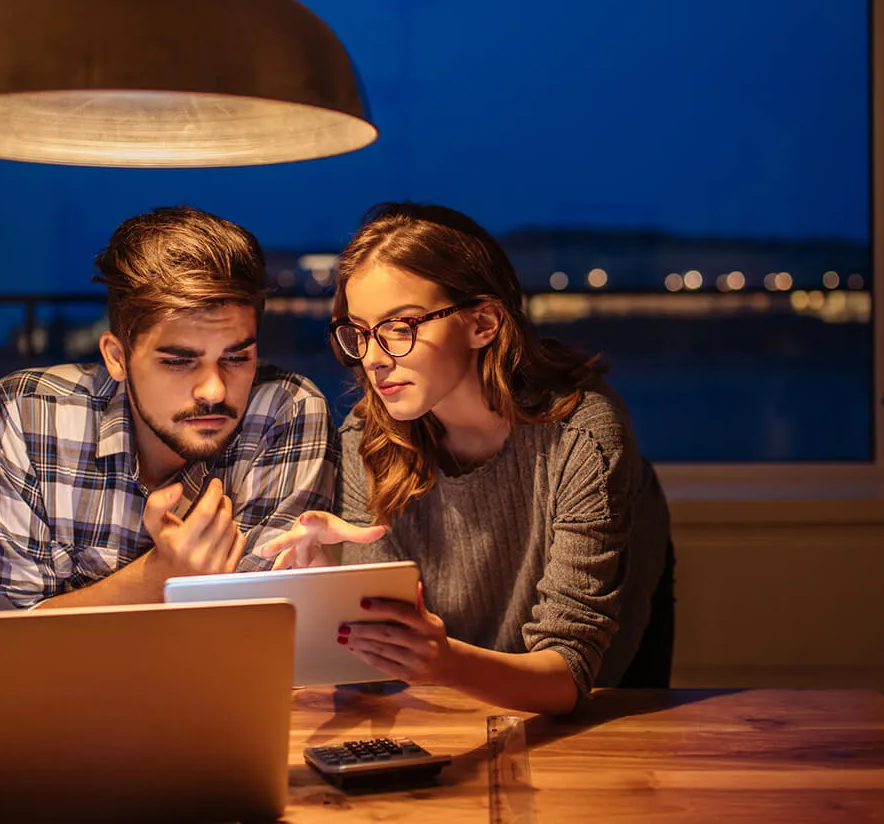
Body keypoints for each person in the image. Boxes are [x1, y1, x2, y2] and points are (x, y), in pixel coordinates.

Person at [258, 202, 673, 715]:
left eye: (401, 326)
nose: (374, 357)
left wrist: (444, 662)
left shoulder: (580, 437)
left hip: (579, 713)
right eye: (360, 332)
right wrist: (326, 587)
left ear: (484, 323)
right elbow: (386, 659)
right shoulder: (369, 437)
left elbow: (568, 673)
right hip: (450, 707)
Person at [0, 206, 337, 611]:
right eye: (178, 361)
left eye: (237, 358)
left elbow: (267, 632)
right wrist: (157, 576)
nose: (213, 389)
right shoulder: (29, 413)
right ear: (117, 357)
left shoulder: (287, 413)